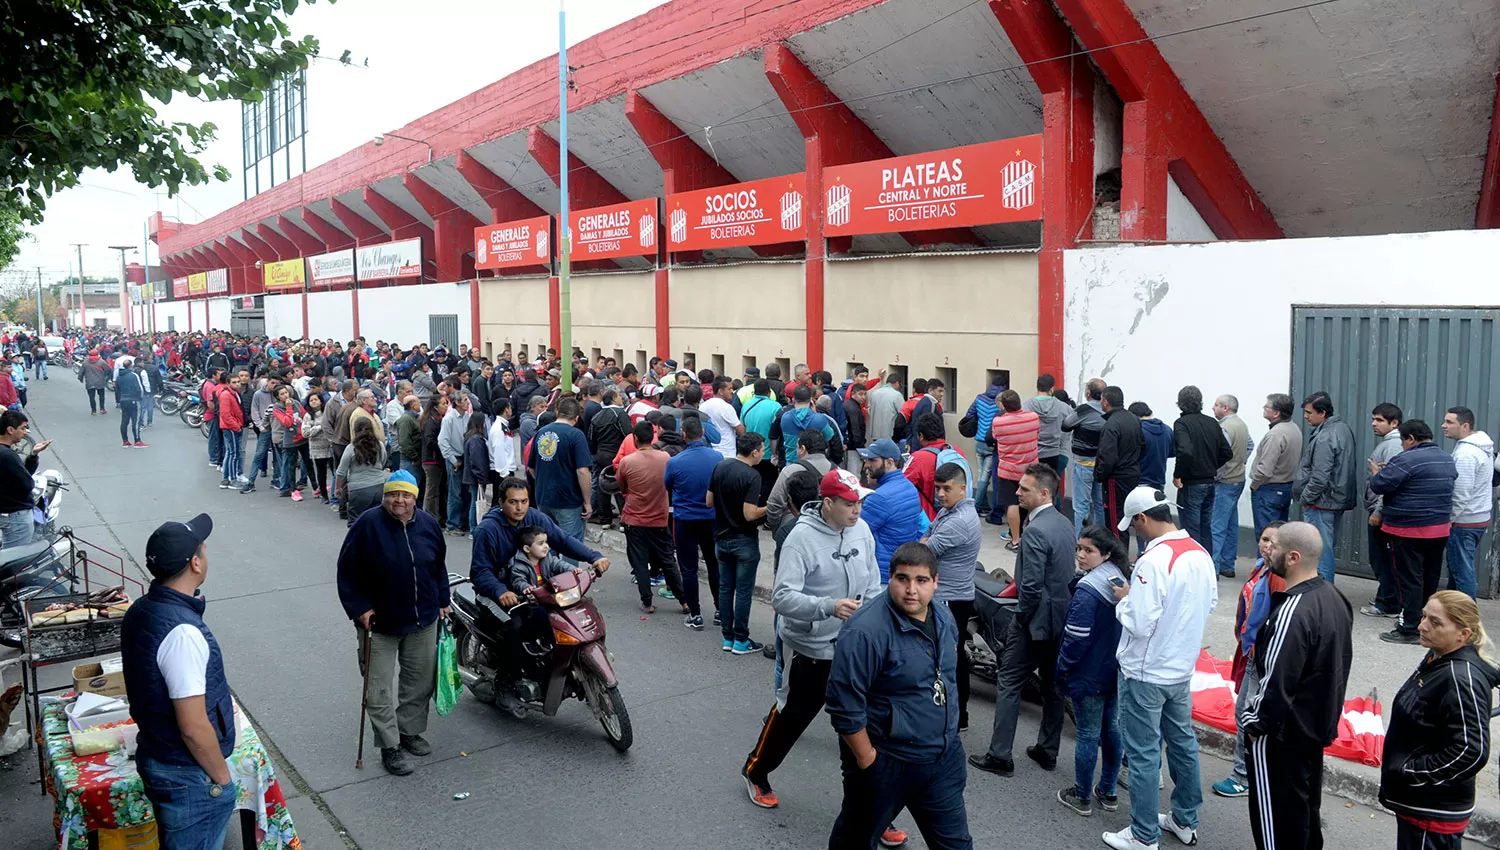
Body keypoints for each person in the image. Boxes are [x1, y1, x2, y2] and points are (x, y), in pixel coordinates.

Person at [742, 468, 880, 810]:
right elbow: (782, 598)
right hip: (811, 650)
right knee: (792, 719)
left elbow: (874, 582)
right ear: (828, 502)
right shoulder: (800, 538)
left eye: (860, 501)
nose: (857, 510)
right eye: (849, 503)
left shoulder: (861, 530)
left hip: (854, 649)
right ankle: (756, 772)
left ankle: (875, 812)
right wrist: (829, 607)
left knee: (861, 729)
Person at [825, 542, 972, 850]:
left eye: (921, 580)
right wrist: (868, 760)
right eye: (902, 579)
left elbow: (946, 680)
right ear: (890, 578)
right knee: (853, 842)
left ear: (935, 582)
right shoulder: (865, 631)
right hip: (887, 763)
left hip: (941, 762)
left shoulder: (943, 618)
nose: (911, 589)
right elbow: (843, 704)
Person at [1103, 487, 1217, 850]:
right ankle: (1184, 819)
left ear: (1143, 518)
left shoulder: (1154, 561)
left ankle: (1143, 834)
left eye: (1134, 525)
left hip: (1146, 671)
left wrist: (1124, 601)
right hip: (1180, 668)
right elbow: (1209, 602)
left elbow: (1138, 622)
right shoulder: (1199, 553)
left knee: (1143, 753)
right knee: (1182, 744)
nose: (1134, 532)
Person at [121, 514, 238, 849]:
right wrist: (221, 778)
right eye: (204, 548)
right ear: (196, 563)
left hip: (160, 754)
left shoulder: (142, 609)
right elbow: (192, 726)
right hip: (187, 773)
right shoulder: (183, 633)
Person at [1237, 521, 1352, 850]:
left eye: (1275, 546)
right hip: (1311, 731)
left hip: (1281, 737)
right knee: (1302, 817)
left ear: (1293, 557)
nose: (1267, 551)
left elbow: (1275, 682)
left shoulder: (1292, 611)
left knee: (1275, 826)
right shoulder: (1335, 598)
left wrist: (1252, 723)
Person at [335, 470, 451, 776]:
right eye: (392, 494)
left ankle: (409, 731)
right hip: (379, 624)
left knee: (419, 682)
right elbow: (346, 571)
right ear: (385, 495)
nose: (398, 500)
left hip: (422, 620)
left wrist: (442, 600)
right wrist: (359, 608)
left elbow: (439, 566)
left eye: (405, 495)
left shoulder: (427, 525)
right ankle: (390, 746)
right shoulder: (367, 525)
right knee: (378, 689)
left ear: (415, 497)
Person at [971, 463, 1075, 777]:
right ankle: (1047, 750)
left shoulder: (1036, 530)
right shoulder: (1063, 523)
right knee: (1052, 687)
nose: (1017, 492)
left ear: (1044, 493)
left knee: (1009, 683)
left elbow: (1029, 586)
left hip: (1034, 622)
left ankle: (1000, 755)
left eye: (1024, 489)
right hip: (1060, 620)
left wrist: (1021, 621)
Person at [1379, 590, 1496, 850]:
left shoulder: (1461, 678)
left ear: (1463, 634)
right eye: (1423, 617)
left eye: (1435, 622)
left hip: (1431, 812)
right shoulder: (1438, 655)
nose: (1422, 626)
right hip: (1418, 805)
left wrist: (1412, 773)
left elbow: (1471, 751)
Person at [1053, 526, 1130, 817]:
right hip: (1115, 670)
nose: (1081, 556)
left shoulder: (1087, 591)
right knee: (1112, 732)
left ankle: (1082, 795)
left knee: (1087, 734)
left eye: (1089, 551)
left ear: (1106, 553)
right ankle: (1108, 792)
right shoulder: (1119, 578)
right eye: (1079, 549)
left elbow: (1075, 638)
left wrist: (1063, 669)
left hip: (1089, 674)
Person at [1212, 521, 1286, 799]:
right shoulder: (1261, 566)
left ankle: (1243, 776)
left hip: (1260, 655)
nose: (1267, 545)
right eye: (1264, 539)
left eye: (1274, 542)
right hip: (1250, 649)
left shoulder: (1277, 577)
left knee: (1247, 713)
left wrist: (1256, 649)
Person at [1369, 420, 1458, 644]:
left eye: (1403, 441)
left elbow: (1380, 485)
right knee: (1430, 578)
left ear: (1410, 439)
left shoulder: (1406, 459)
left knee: (1408, 579)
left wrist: (1376, 473)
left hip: (1408, 531)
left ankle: (1409, 628)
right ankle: (1430, 623)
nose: (1402, 445)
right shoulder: (1446, 458)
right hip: (1439, 529)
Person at [921, 462, 979, 728]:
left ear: (962, 488)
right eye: (938, 489)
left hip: (951, 599)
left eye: (946, 489)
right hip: (948, 595)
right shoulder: (949, 512)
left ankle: (958, 715)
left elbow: (924, 552)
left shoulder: (959, 522)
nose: (941, 494)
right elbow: (927, 537)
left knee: (950, 658)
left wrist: (925, 543)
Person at [617, 421, 688, 614]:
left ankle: (647, 602)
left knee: (640, 561)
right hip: (659, 517)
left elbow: (623, 488)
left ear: (635, 438)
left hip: (634, 519)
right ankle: (684, 601)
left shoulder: (627, 462)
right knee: (667, 559)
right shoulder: (665, 457)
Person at [710, 432, 768, 654]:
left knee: (726, 588)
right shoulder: (752, 476)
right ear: (754, 452)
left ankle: (727, 637)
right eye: (762, 449)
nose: (763, 453)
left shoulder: (720, 467)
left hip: (721, 537)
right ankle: (741, 639)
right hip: (743, 540)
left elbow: (709, 501)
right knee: (743, 591)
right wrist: (770, 507)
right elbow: (750, 514)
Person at [1292, 391, 1358, 583]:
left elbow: (1320, 476)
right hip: (1334, 499)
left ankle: (1322, 591)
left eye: (1309, 412)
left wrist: (1305, 498)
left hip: (1322, 502)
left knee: (1319, 549)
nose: (1305, 417)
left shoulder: (1325, 437)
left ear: (1323, 413)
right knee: (1326, 546)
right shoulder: (1342, 429)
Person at [665, 416, 722, 629]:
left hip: (685, 520)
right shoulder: (717, 457)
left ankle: (695, 614)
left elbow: (667, 486)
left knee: (688, 568)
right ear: (703, 433)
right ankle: (720, 610)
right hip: (711, 518)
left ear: (684, 435)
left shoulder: (675, 461)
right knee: (714, 565)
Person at [1359, 402, 1406, 618]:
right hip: (1382, 510)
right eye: (1373, 419)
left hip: (1383, 513)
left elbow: (1389, 484)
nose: (1373, 424)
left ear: (1394, 422)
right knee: (1382, 559)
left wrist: (1379, 511)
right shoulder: (1389, 443)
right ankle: (1387, 596)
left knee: (1383, 560)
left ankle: (1388, 604)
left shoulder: (1393, 446)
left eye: (1379, 420)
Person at [1440, 406, 1492, 599]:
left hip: (1464, 521)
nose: (1443, 426)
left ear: (1465, 426)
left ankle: (1467, 619)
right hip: (1478, 517)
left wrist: (1449, 520)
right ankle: (1453, 614)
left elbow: (1460, 493)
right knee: (1458, 569)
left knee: (1462, 571)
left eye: (1449, 422)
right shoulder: (1481, 446)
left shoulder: (1466, 454)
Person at [1170, 385, 1230, 552]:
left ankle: (1193, 571)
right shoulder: (1212, 422)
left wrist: (1178, 474)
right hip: (1210, 482)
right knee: (1205, 529)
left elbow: (1185, 451)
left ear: (1180, 404)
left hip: (1191, 483)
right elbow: (1227, 453)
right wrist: (1211, 465)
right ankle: (1207, 568)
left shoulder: (1181, 423)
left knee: (1191, 531)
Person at [857, 438, 925, 581]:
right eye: (866, 459)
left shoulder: (880, 497)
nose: (866, 464)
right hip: (900, 568)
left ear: (890, 462)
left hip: (880, 573)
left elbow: (855, 531)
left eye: (873, 460)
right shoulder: (910, 487)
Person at [527, 397, 593, 539]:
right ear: (576, 418)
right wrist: (587, 501)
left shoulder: (541, 433)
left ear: (557, 412)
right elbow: (582, 471)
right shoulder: (576, 435)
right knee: (571, 545)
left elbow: (531, 467)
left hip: (544, 497)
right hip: (568, 500)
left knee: (547, 543)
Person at [990, 389, 1039, 548]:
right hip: (1030, 469)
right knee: (1029, 502)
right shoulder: (1033, 418)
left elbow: (995, 438)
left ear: (1004, 405)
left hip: (1008, 470)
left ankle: (1015, 539)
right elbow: (1037, 435)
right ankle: (1028, 535)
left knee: (1011, 504)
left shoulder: (998, 422)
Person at [1211, 394, 1252, 578]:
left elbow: (1222, 455)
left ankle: (1213, 567)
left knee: (1217, 526)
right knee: (1231, 524)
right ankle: (1228, 564)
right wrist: (1241, 462)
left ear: (1225, 408)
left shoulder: (1224, 428)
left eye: (1216, 405)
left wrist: (1217, 475)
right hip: (1238, 479)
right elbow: (1250, 445)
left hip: (1225, 482)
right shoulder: (1241, 424)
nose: (1213, 407)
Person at [1250, 393, 1301, 538]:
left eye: (1267, 406)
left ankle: (1265, 561)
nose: (1263, 408)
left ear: (1276, 413)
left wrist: (1254, 485)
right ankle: (1275, 561)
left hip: (1269, 490)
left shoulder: (1275, 434)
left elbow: (1265, 469)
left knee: (1266, 536)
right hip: (1285, 487)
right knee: (1279, 535)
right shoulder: (1294, 428)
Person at [1095, 386, 1143, 541]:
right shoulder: (1133, 419)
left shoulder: (1111, 425)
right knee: (1127, 516)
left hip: (1116, 478)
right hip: (1132, 474)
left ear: (1106, 402)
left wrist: (1100, 475)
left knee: (1115, 520)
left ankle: (1117, 558)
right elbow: (1143, 445)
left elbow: (1107, 457)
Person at [1062, 378, 1107, 535]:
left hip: (1083, 464)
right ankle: (1099, 540)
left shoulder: (1084, 410)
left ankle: (1080, 541)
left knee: (1081, 506)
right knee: (1100, 504)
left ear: (1088, 393)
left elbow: (1066, 425)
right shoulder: (1109, 411)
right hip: (1102, 465)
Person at [0, 409, 47, 548]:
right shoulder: (8, 455)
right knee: (13, 559)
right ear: (10, 429)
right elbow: (27, 483)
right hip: (15, 516)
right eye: (22, 428)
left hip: (6, 512)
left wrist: (33, 455)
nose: (25, 432)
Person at [962, 375, 1005, 517]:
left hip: (979, 441)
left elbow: (969, 415)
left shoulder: (980, 398)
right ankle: (977, 506)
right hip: (991, 443)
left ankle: (984, 505)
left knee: (981, 474)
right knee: (984, 477)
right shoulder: (1001, 402)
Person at [339, 419, 389, 526]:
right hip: (378, 486)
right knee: (376, 520)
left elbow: (341, 472)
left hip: (358, 488)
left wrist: (338, 489)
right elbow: (384, 462)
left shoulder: (351, 448)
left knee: (355, 522)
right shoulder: (379, 445)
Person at [1022, 374, 1068, 475]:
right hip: (1054, 453)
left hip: (1032, 453)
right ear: (1052, 389)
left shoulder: (1025, 405)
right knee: (1050, 486)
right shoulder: (1063, 407)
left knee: (1032, 487)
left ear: (1037, 387)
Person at [419, 395, 449, 518]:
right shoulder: (430, 421)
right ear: (435, 407)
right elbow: (430, 441)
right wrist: (442, 448)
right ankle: (428, 516)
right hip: (432, 460)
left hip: (436, 459)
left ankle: (436, 515)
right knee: (431, 491)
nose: (446, 406)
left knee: (437, 489)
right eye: (443, 403)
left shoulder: (438, 419)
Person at [460, 412, 490, 533]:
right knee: (476, 502)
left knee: (475, 500)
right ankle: (474, 528)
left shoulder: (469, 436)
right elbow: (477, 460)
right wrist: (481, 477)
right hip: (476, 476)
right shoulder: (477, 439)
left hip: (471, 475)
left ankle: (473, 526)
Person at [215, 373, 246, 491]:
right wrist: (236, 426)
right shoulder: (226, 395)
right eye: (234, 382)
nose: (237, 384)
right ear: (228, 383)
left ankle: (226, 479)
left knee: (230, 453)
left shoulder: (233, 393)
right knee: (233, 453)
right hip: (231, 428)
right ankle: (232, 479)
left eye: (238, 381)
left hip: (231, 426)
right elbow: (225, 414)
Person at [701, 377, 745, 459]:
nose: (732, 392)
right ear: (720, 391)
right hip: (727, 453)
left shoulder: (703, 406)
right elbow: (740, 430)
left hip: (709, 452)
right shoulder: (727, 408)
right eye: (729, 389)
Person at [1133, 402, 1173, 491]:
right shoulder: (1167, 430)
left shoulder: (1137, 431)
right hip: (1159, 482)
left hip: (1139, 482)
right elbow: (1172, 452)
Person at [865, 372, 904, 445]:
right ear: (897, 383)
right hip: (889, 435)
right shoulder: (897, 395)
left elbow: (869, 411)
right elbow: (902, 414)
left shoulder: (874, 393)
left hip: (875, 435)